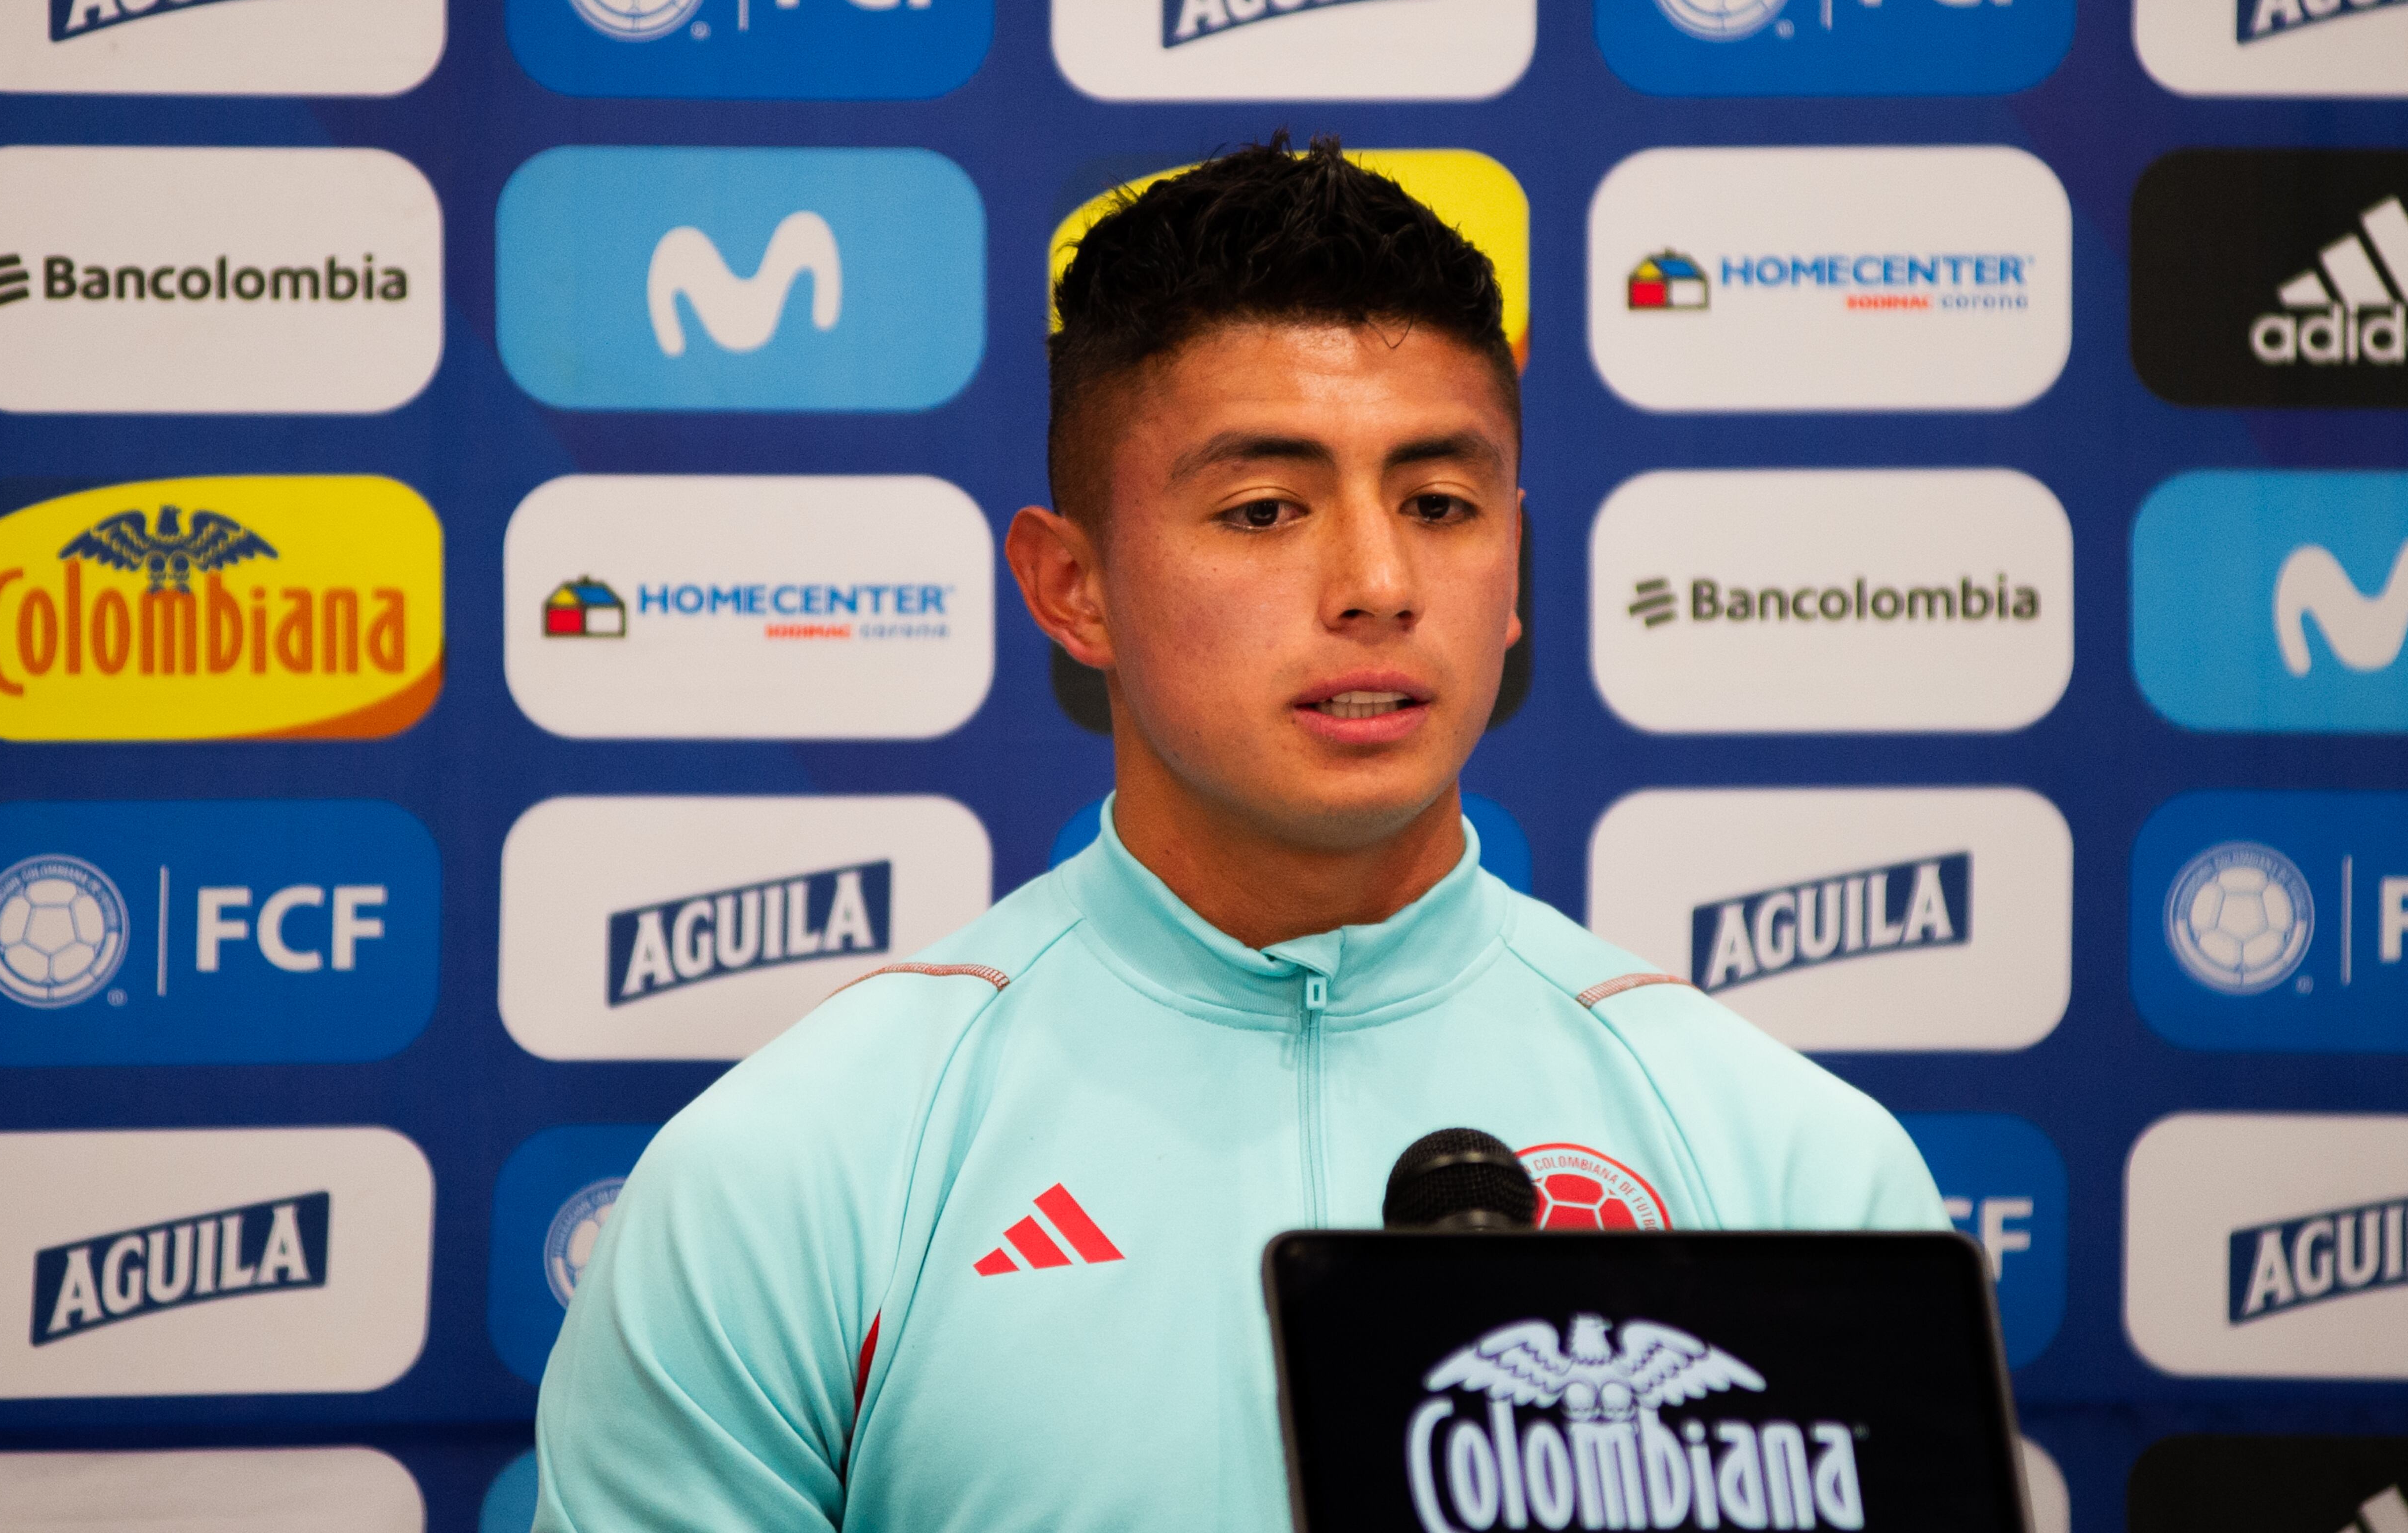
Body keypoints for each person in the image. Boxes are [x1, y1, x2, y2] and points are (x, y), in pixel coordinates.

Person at [531, 136, 1948, 1533]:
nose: (1380, 583)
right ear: (1072, 588)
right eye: (1265, 509)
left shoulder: (1791, 1164)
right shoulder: (797, 1174)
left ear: (1513, 564)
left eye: (1440, 505)